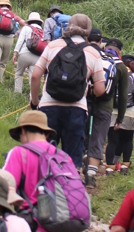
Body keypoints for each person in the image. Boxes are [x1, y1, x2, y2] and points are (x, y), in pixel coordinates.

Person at [29, 13, 106, 169]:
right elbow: (100, 89)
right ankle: (67, 189)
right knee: (71, 161)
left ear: (69, 26)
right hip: (76, 109)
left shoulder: (53, 46)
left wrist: (35, 101)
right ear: (88, 30)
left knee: (43, 156)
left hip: (48, 106)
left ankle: (43, 189)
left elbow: (36, 75)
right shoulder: (93, 53)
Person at [86, 39, 128, 189]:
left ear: (105, 47)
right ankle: (90, 177)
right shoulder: (121, 67)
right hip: (105, 107)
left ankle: (79, 165)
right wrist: (120, 118)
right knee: (98, 139)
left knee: (84, 135)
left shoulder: (96, 57)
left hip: (87, 103)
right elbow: (123, 96)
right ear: (120, 51)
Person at [105, 55, 134, 174]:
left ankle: (109, 167)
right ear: (132, 64)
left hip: (113, 110)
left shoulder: (114, 73)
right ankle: (125, 166)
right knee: (127, 140)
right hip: (129, 111)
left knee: (112, 141)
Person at [11, 11, 45, 94]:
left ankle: (17, 93)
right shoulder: (42, 31)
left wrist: (15, 53)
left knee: (19, 73)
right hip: (37, 57)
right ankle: (32, 97)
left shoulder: (26, 28)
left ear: (29, 20)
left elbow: (20, 41)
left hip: (24, 55)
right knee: (32, 77)